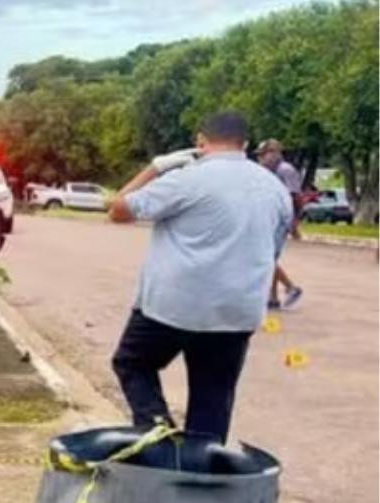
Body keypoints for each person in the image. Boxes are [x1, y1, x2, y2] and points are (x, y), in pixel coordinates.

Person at [107, 111, 292, 442]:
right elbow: (273, 250)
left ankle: (156, 431)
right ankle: (200, 475)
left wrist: (155, 167)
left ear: (200, 142)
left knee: (132, 363)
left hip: (173, 307)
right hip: (236, 312)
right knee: (213, 400)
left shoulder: (187, 178)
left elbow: (118, 210)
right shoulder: (274, 188)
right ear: (245, 145)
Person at [256, 139, 304, 310]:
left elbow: (296, 197)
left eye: (263, 155)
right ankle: (273, 298)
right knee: (269, 258)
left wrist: (294, 222)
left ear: (275, 153)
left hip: (282, 220)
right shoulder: (267, 172)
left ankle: (291, 288)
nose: (260, 159)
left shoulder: (285, 170)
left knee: (267, 258)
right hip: (269, 219)